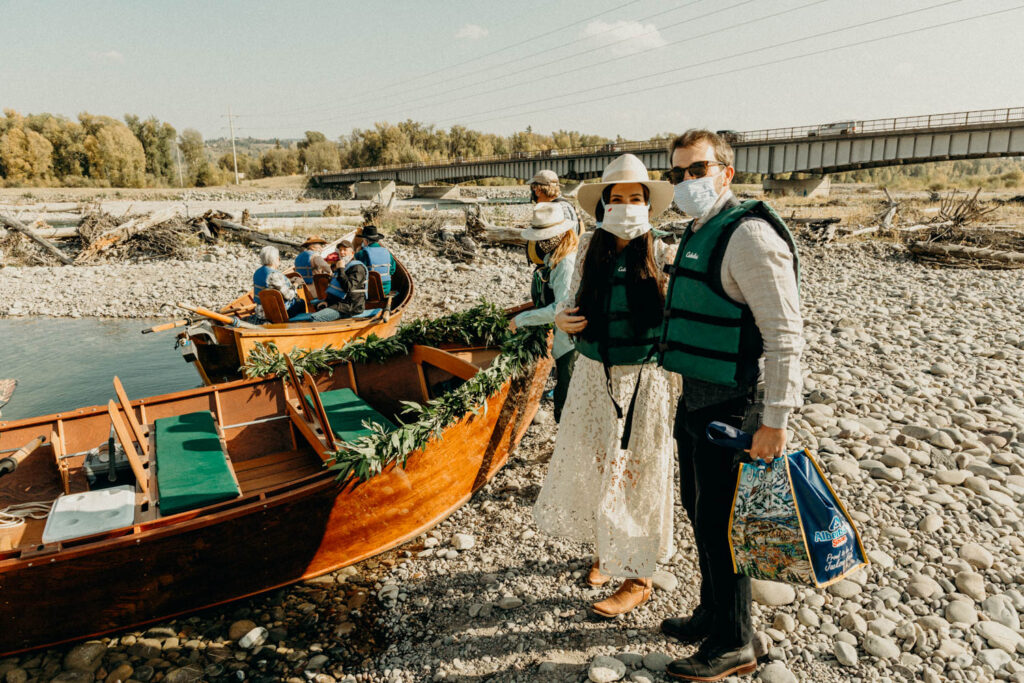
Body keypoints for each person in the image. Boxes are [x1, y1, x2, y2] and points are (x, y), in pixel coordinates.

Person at [658, 130, 803, 682]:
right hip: (696, 398)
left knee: (725, 527)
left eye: (698, 170)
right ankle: (712, 612)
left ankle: (736, 642)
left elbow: (785, 336)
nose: (687, 182)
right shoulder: (700, 228)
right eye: (677, 174)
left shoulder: (749, 236)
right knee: (700, 512)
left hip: (734, 407)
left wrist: (774, 421)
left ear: (726, 172)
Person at [533, 154, 679, 618]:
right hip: (596, 377)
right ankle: (605, 549)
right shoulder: (591, 251)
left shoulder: (664, 253)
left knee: (639, 470)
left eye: (636, 198)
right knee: (598, 463)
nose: (627, 205)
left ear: (648, 206)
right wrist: (561, 318)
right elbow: (571, 302)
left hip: (644, 380)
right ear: (604, 206)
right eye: (618, 198)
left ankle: (639, 576)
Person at [509, 202, 579, 422]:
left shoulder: (565, 264)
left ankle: (567, 443)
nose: (540, 242)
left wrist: (521, 320)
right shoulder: (555, 259)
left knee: (568, 394)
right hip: (565, 338)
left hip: (572, 340)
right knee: (565, 387)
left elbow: (561, 308)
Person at [290, 240, 367, 322]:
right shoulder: (343, 266)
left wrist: (340, 269)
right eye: (340, 250)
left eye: (345, 250)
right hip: (338, 303)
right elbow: (335, 290)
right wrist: (327, 301)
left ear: (352, 253)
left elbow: (348, 287)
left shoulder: (357, 268)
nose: (342, 252)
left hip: (350, 306)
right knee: (315, 306)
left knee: (315, 318)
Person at [252, 246, 306, 320]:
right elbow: (289, 296)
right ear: (276, 259)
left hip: (261, 311)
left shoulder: (257, 272)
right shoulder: (274, 274)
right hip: (278, 312)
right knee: (301, 302)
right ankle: (299, 325)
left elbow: (270, 284)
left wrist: (289, 280)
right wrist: (296, 283)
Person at [353, 225, 396, 295]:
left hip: (370, 289)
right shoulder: (387, 252)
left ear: (366, 241)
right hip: (386, 289)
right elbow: (392, 270)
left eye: (363, 240)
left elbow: (355, 270)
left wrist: (356, 253)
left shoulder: (363, 253)